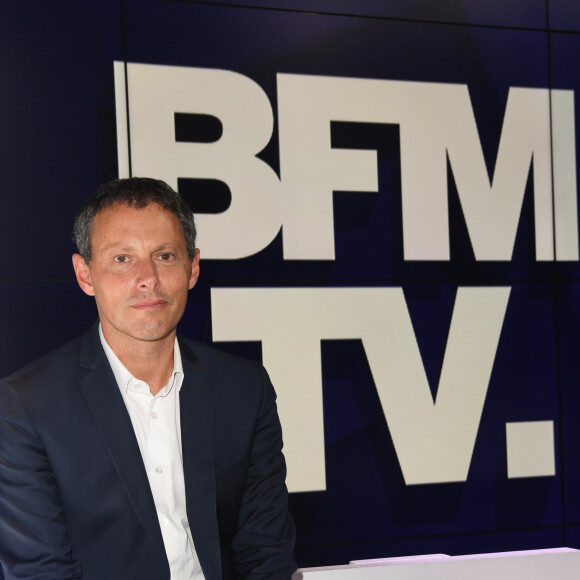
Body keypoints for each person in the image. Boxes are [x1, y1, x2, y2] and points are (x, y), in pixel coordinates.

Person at [0, 178, 296, 579]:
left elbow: (265, 554)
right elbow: (41, 572)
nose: (148, 278)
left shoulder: (244, 388)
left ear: (192, 267)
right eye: (122, 259)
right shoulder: (26, 406)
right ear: (85, 274)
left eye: (165, 256)